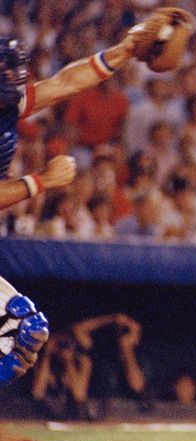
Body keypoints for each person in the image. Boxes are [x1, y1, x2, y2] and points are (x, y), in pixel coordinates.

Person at [0, 28, 140, 388]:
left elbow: (65, 82)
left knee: (28, 333)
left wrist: (123, 50)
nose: (11, 77)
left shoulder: (11, 103)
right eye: (3, 69)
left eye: (14, 69)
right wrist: (40, 181)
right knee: (23, 329)